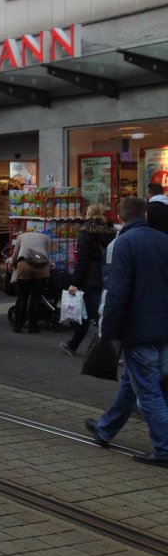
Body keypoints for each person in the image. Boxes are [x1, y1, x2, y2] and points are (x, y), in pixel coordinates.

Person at [85, 196, 168, 466]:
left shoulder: (123, 244)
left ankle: (164, 448)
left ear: (120, 218)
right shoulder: (163, 240)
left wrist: (107, 331)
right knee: (132, 384)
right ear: (145, 214)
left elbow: (116, 292)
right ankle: (105, 429)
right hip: (162, 327)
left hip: (139, 329)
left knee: (148, 390)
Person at [60, 203, 116, 356]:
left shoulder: (86, 231)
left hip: (91, 279)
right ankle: (72, 345)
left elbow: (83, 260)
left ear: (88, 214)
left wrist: (75, 283)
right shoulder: (111, 232)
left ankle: (112, 352)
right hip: (106, 275)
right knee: (84, 314)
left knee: (99, 317)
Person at [7, 227, 52, 333]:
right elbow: (48, 255)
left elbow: (15, 254)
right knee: (36, 297)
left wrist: (13, 263)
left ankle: (18, 326)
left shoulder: (21, 236)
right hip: (42, 267)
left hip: (25, 265)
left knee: (22, 296)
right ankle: (32, 327)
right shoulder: (46, 237)